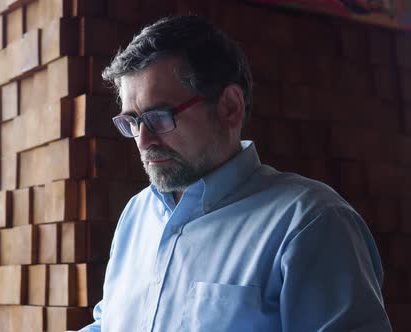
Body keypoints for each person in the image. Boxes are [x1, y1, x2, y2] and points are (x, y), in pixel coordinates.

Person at [78, 16, 391, 332]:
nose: (143, 140)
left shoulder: (310, 221)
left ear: (229, 106)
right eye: (132, 122)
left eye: (159, 117)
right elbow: (112, 323)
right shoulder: (136, 214)